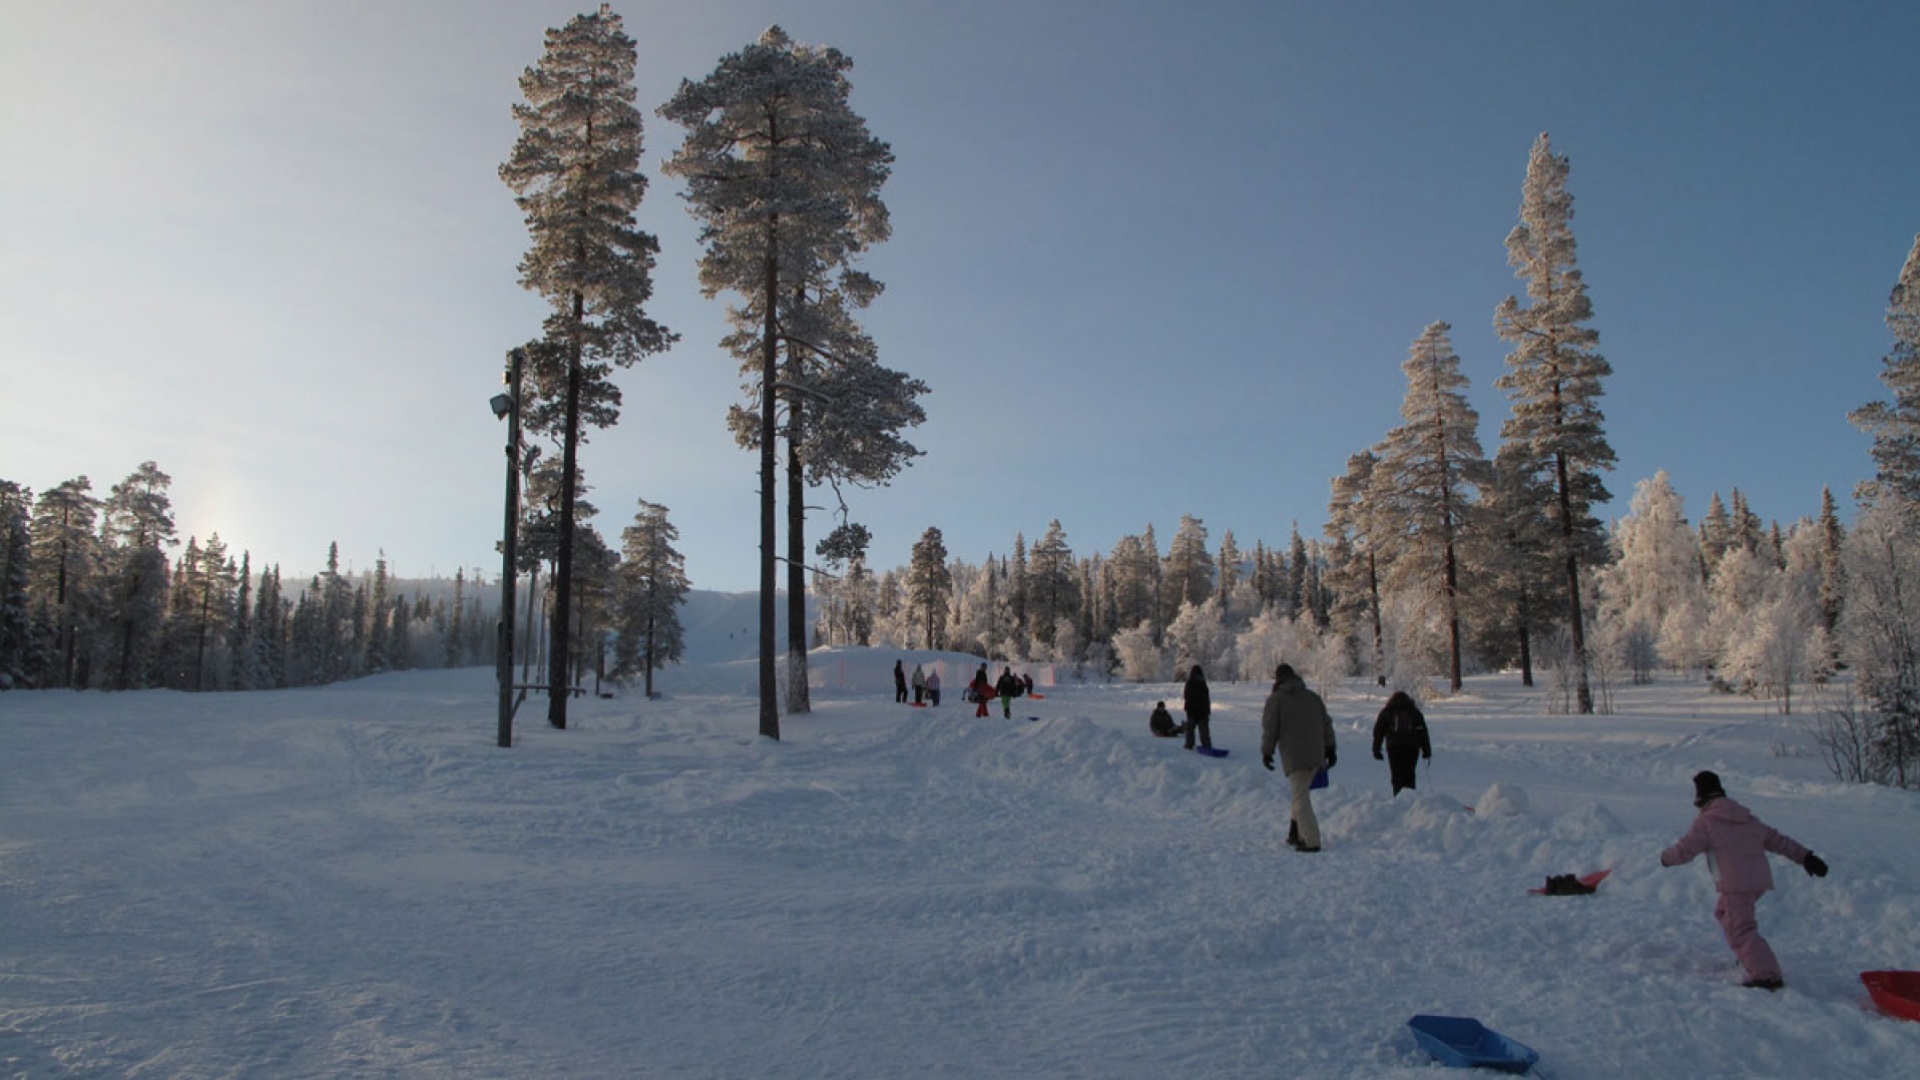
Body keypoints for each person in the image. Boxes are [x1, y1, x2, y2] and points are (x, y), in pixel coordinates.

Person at [1660, 771, 1828, 990]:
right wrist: (1806, 857)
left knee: (1740, 929)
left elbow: (1686, 849)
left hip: (1735, 883)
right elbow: (1777, 840)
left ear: (1701, 798)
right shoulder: (1747, 819)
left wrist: (1665, 858)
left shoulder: (1707, 822)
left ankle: (1766, 975)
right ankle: (1750, 955)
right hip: (1757, 879)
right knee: (1725, 914)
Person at [1260, 664, 1337, 853]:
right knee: (1300, 793)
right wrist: (1331, 748)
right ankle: (1294, 833)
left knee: (1301, 798)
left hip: (1294, 756)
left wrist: (1266, 752)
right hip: (1316, 754)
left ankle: (1311, 841)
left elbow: (1270, 728)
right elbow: (1326, 724)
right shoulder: (1313, 697)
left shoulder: (1276, 700)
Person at [1371, 691, 1432, 795]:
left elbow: (1378, 731)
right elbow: (1423, 732)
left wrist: (1376, 749)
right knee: (1410, 774)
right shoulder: (1414, 712)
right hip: (1412, 748)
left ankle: (1398, 798)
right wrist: (1426, 751)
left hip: (1394, 747)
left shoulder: (1387, 711)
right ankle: (1410, 797)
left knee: (1397, 775)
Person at [1181, 665, 1213, 751]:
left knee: (1190, 730)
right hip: (1202, 712)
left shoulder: (1190, 683)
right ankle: (1206, 746)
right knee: (1203, 732)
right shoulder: (1203, 683)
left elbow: (1187, 697)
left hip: (1193, 712)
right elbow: (1206, 699)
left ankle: (1189, 745)